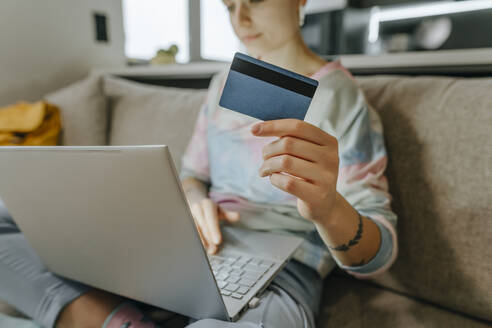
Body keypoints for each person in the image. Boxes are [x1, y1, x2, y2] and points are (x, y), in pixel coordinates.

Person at [0, 0, 398, 327]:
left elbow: (378, 256)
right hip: (192, 252)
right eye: (228, 5)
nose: (239, 19)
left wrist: (327, 208)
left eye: (254, 1)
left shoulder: (341, 97)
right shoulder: (224, 81)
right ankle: (118, 319)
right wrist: (194, 201)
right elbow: (193, 176)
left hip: (282, 274)